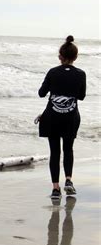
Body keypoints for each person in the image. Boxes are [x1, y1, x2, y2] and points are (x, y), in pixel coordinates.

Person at [38, 35, 86, 198]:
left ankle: (55, 189)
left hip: (52, 117)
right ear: (75, 57)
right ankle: (69, 180)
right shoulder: (81, 74)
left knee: (55, 152)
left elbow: (41, 93)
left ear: (60, 57)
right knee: (68, 149)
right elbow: (81, 96)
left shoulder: (52, 72)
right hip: (71, 117)